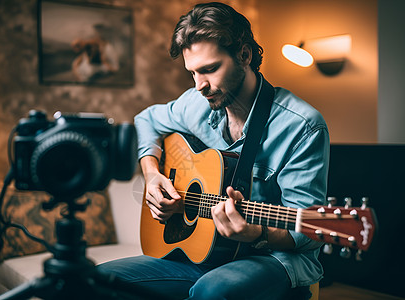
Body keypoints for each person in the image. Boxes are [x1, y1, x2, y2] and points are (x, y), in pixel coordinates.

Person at [97, 2, 329, 299]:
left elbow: (308, 232)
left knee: (212, 291)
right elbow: (146, 120)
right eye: (192, 73)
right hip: (205, 255)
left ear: (244, 55)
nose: (199, 86)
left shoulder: (302, 126)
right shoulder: (196, 104)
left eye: (209, 70)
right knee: (96, 281)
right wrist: (152, 174)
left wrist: (256, 233)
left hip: (274, 259)